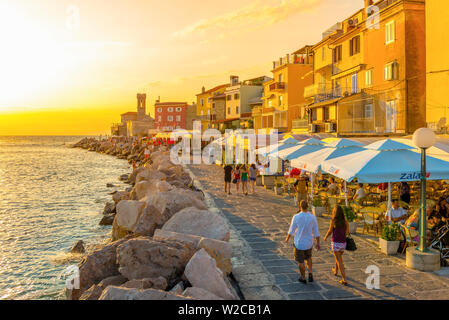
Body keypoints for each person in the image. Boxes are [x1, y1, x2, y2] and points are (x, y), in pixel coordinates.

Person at [285, 200, 320, 284]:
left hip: (299, 243)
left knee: (301, 261)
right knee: (308, 257)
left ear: (299, 206)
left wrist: (287, 238)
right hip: (309, 242)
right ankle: (310, 273)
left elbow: (291, 229)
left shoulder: (296, 217)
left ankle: (303, 277)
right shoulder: (312, 217)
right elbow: (316, 232)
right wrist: (318, 243)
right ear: (307, 206)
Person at [323, 206, 349, 286]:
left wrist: (325, 237)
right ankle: (335, 271)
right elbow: (347, 233)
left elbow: (330, 231)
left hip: (335, 243)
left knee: (339, 261)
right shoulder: (345, 221)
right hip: (343, 244)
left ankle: (344, 279)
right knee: (338, 258)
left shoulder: (333, 221)